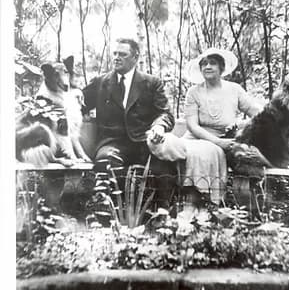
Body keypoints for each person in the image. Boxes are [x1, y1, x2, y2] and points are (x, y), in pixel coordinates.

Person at [82, 37, 176, 208]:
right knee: (105, 163)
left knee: (164, 166)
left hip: (144, 142)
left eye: (123, 54)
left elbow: (165, 113)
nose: (117, 57)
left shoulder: (151, 83)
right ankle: (112, 216)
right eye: (115, 53)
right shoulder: (100, 82)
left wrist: (159, 127)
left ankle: (162, 216)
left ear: (135, 57)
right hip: (112, 143)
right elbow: (77, 104)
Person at [181, 47, 262, 205]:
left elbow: (255, 111)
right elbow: (192, 126)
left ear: (222, 68)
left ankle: (239, 205)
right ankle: (193, 202)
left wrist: (247, 123)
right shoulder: (193, 92)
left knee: (248, 159)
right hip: (196, 138)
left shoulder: (234, 89)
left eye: (213, 63)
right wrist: (218, 142)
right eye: (204, 64)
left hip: (226, 138)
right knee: (198, 154)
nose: (208, 67)